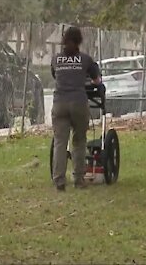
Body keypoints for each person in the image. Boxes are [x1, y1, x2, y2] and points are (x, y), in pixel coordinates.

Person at [50, 26, 101, 191]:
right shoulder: (85, 59)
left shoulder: (56, 59)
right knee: (79, 141)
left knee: (60, 142)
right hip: (78, 102)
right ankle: (79, 179)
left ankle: (59, 181)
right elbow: (96, 80)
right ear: (80, 41)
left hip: (59, 103)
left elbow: (55, 75)